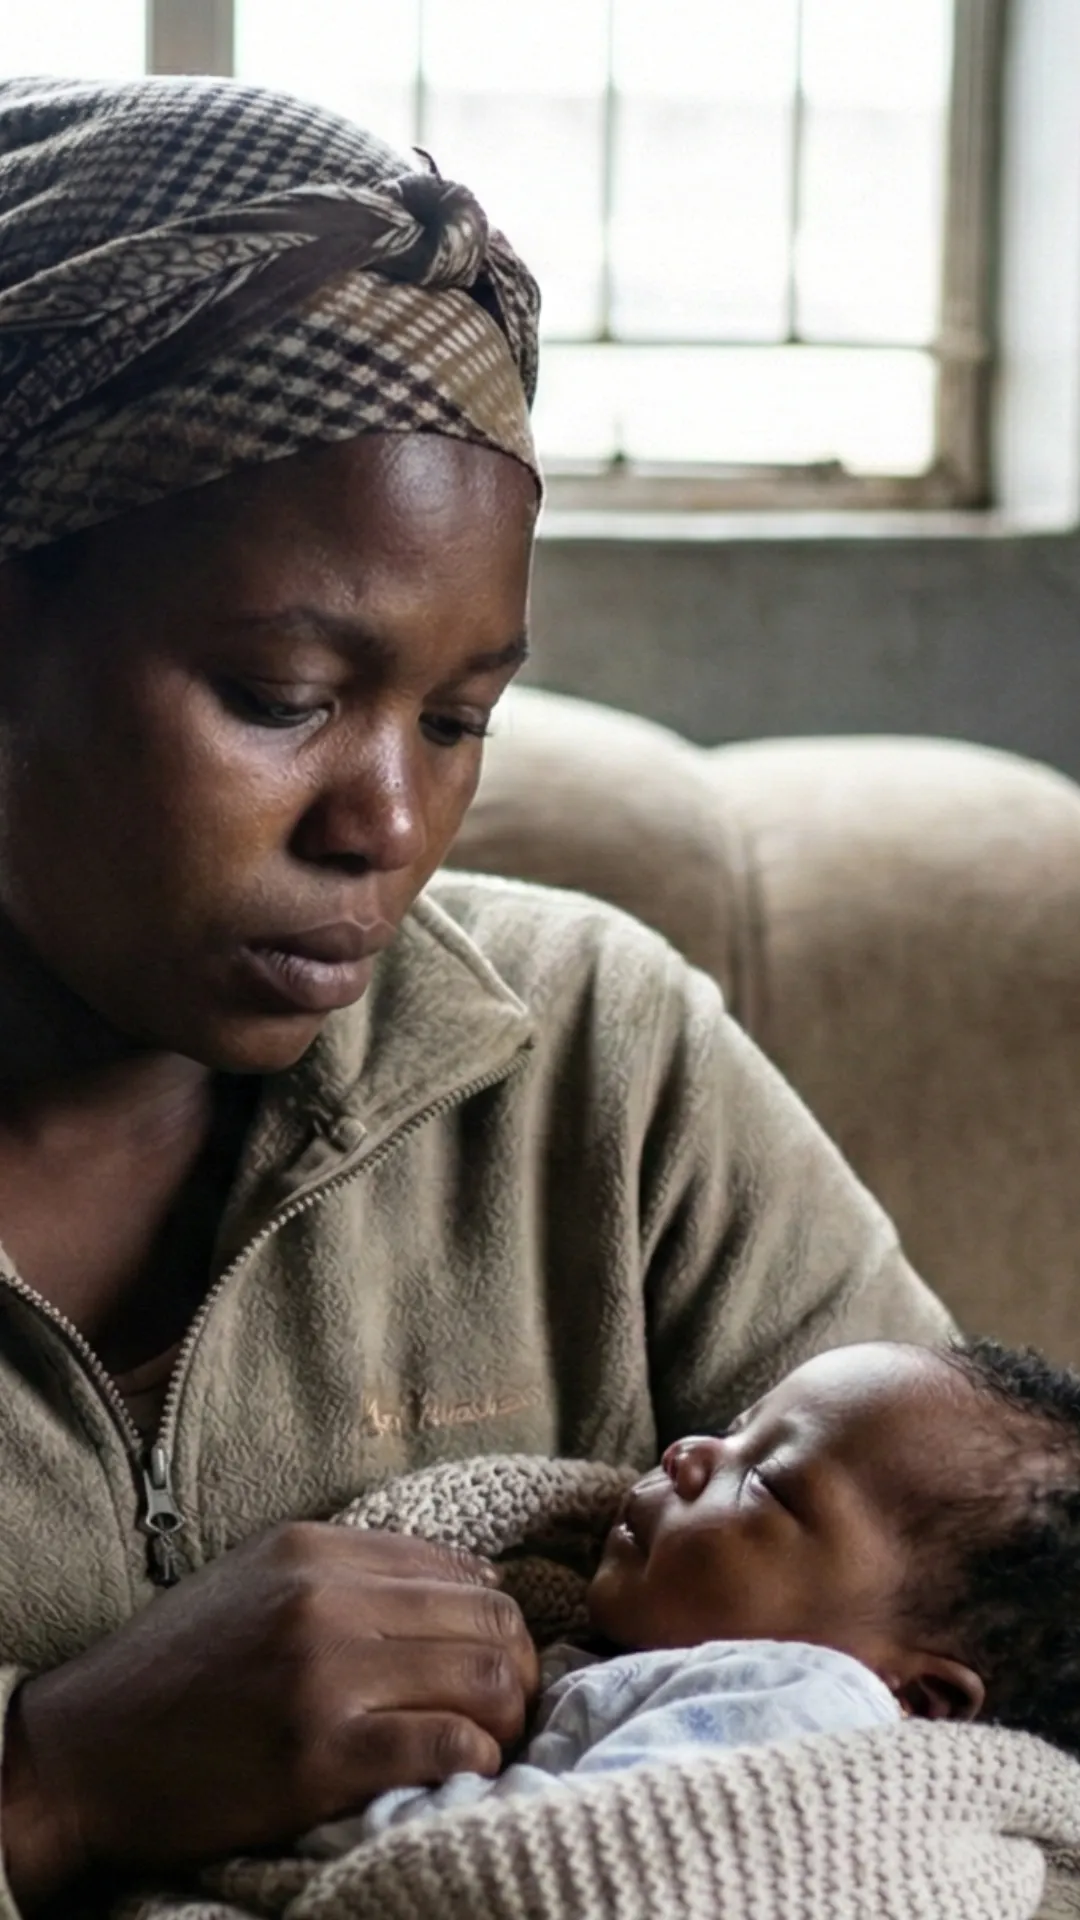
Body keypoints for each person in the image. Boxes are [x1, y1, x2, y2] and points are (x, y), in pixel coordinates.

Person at [0, 72, 952, 1916]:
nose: (391, 821)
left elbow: (984, 1665)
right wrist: (51, 1778)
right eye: (283, 695)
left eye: (459, 720)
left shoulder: (603, 1065)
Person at [304, 1336, 1080, 1849]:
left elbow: (543, 1858)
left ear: (919, 1696)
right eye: (736, 1426)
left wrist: (329, 1817)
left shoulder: (799, 1706)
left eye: (768, 1483)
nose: (687, 1452)